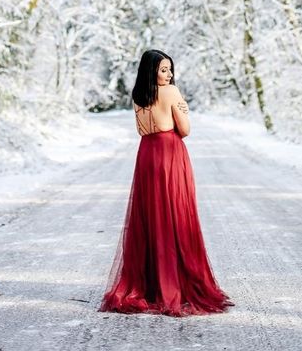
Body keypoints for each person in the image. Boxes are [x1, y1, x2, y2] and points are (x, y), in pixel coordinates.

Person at [98, 49, 234, 317]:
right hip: (170, 153)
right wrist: (184, 111)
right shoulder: (171, 92)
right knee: (175, 216)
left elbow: (141, 130)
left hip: (147, 154)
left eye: (170, 69)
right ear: (152, 71)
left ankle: (150, 284)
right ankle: (173, 284)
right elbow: (185, 130)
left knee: (150, 217)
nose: (169, 74)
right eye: (163, 69)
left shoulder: (138, 95)